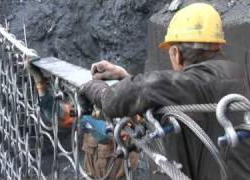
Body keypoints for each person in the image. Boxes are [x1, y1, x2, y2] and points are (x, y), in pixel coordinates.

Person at [80, 3, 250, 180]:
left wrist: (93, 88)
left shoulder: (190, 83)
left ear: (176, 53)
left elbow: (114, 100)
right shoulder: (238, 75)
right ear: (218, 46)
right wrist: (125, 76)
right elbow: (173, 90)